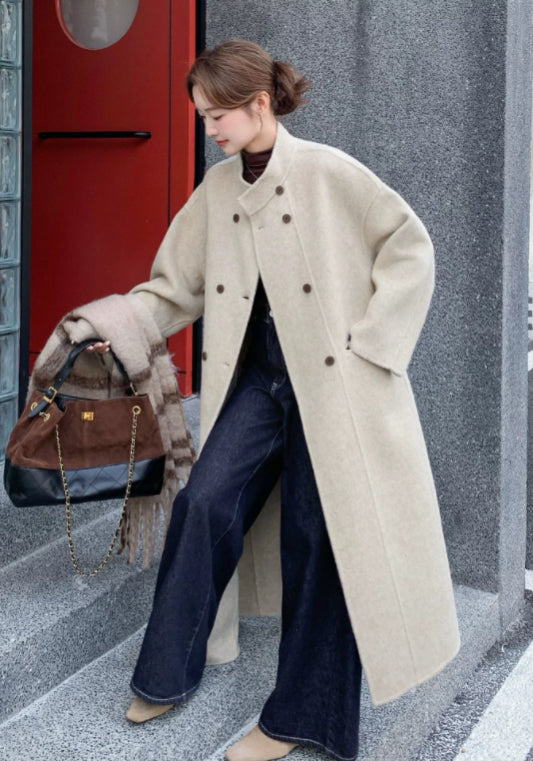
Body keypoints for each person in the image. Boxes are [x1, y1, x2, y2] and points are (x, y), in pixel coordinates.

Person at [90, 39, 459, 761]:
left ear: (259, 103)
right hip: (261, 380)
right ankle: (167, 672)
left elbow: (409, 246)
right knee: (203, 503)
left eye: (216, 115)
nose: (209, 129)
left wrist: (373, 347)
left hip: (334, 383)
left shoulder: (327, 171)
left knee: (319, 537)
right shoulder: (217, 190)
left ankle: (299, 718)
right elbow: (174, 287)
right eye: (202, 116)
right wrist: (121, 326)